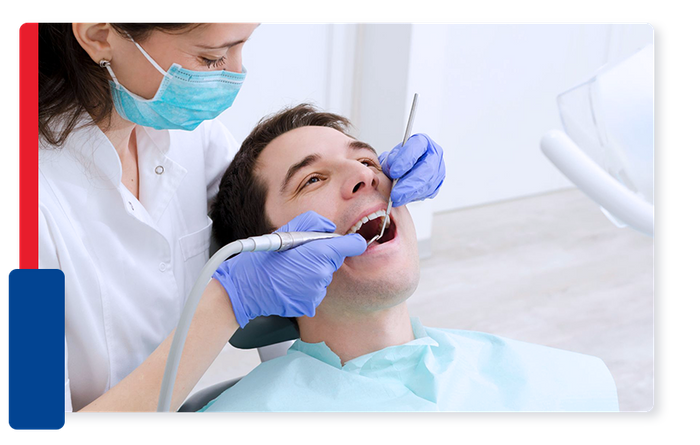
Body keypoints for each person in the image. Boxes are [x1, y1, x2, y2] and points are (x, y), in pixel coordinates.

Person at [39, 22, 446, 412]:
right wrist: (230, 302)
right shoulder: (31, 208)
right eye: (212, 56)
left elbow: (256, 210)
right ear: (98, 35)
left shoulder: (190, 135)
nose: (236, 73)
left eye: (366, 159)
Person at [202, 104, 619, 412]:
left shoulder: (573, 386)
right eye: (312, 179)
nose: (366, 175)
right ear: (267, 250)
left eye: (367, 160)